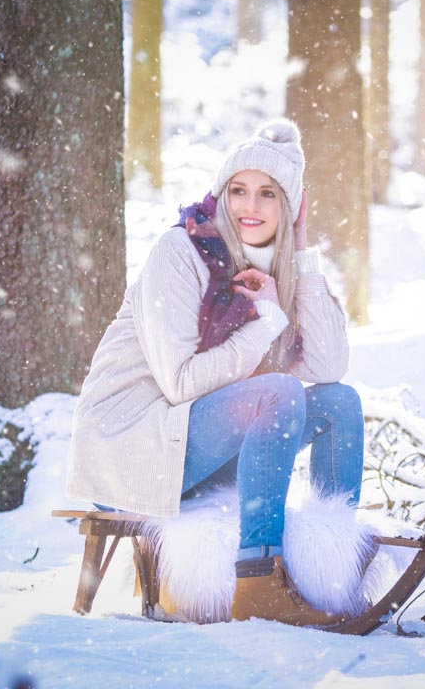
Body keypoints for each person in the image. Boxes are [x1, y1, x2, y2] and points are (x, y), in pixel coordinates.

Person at [66, 119, 365, 628]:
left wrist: (303, 251)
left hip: (197, 445)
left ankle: (326, 575)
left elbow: (330, 364)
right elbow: (180, 383)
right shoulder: (179, 253)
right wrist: (266, 322)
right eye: (238, 190)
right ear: (220, 194)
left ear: (289, 206)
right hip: (135, 446)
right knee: (279, 394)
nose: (250, 206)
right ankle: (259, 579)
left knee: (340, 401)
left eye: (268, 194)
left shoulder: (273, 270)